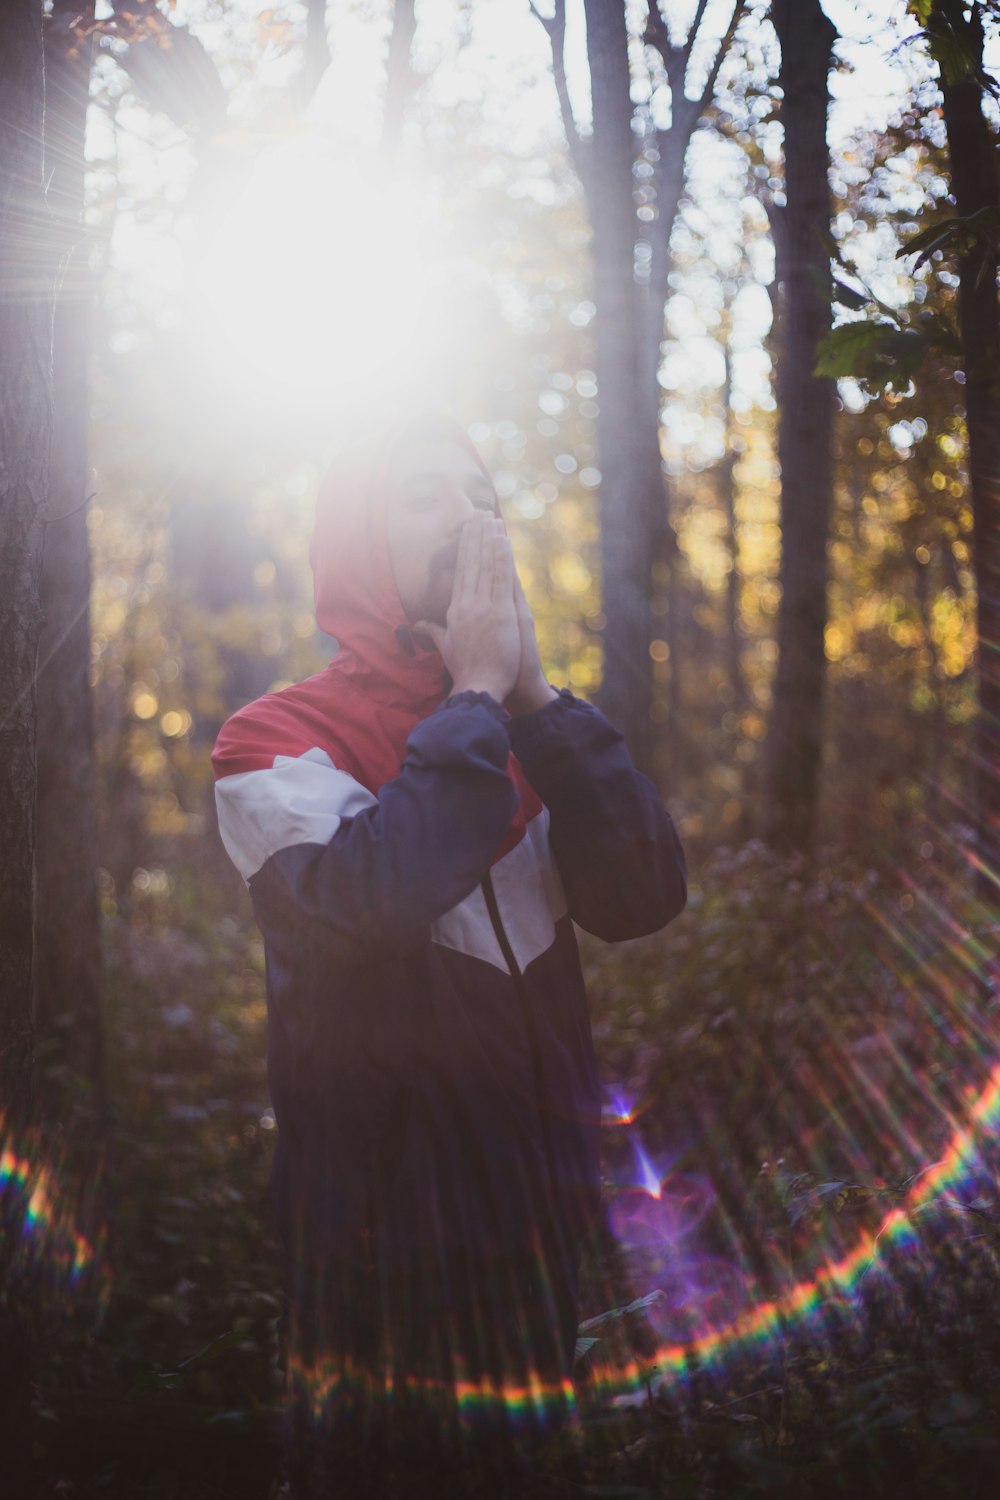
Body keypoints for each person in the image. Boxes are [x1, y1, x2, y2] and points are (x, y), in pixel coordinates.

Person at [211, 414, 687, 1497]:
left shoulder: (535, 733)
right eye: (427, 493)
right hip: (379, 1226)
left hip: (541, 1206)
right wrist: (475, 695)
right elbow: (367, 898)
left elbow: (643, 898)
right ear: (358, 540)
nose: (470, 514)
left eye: (482, 493)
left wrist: (531, 700)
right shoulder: (273, 737)